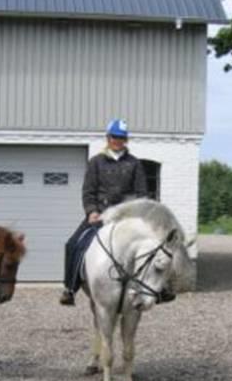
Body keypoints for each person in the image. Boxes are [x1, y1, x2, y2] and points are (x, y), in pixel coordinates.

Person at [59, 118, 175, 306]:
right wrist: (91, 211)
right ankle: (70, 288)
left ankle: (162, 288)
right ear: (108, 137)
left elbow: (142, 193)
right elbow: (88, 191)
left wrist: (140, 214)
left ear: (125, 139)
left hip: (126, 215)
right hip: (100, 214)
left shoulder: (134, 164)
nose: (117, 141)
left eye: (121, 137)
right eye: (114, 137)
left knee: (156, 245)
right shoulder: (95, 162)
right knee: (72, 244)